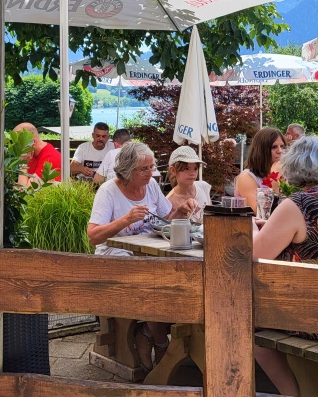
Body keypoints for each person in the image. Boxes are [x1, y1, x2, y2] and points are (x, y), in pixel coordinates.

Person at [251, 136, 318, 396]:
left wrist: (251, 230)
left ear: (293, 167)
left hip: (317, 315)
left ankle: (291, 393)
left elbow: (255, 254)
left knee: (246, 321)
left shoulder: (297, 204)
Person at [87, 142, 192, 370]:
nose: (150, 173)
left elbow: (167, 220)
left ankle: (147, 332)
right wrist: (125, 220)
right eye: (143, 169)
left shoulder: (152, 185)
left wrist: (180, 213)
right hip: (113, 259)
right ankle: (162, 343)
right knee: (152, 280)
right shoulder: (108, 191)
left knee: (179, 276)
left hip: (146, 255)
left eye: (152, 167)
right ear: (126, 170)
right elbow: (93, 236)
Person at [234, 127, 286, 213]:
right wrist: (274, 177)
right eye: (274, 147)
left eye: (282, 146)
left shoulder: (287, 175)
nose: (280, 151)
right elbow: (260, 212)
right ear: (261, 151)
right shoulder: (247, 177)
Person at [165, 146, 210, 223]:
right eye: (186, 168)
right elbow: (168, 227)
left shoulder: (203, 186)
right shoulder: (169, 200)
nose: (192, 173)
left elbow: (211, 215)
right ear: (173, 170)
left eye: (195, 168)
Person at [13, 122, 62, 187]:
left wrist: (23, 164)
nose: (17, 148)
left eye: (19, 144)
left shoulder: (49, 159)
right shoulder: (30, 155)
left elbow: (25, 191)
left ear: (32, 142)